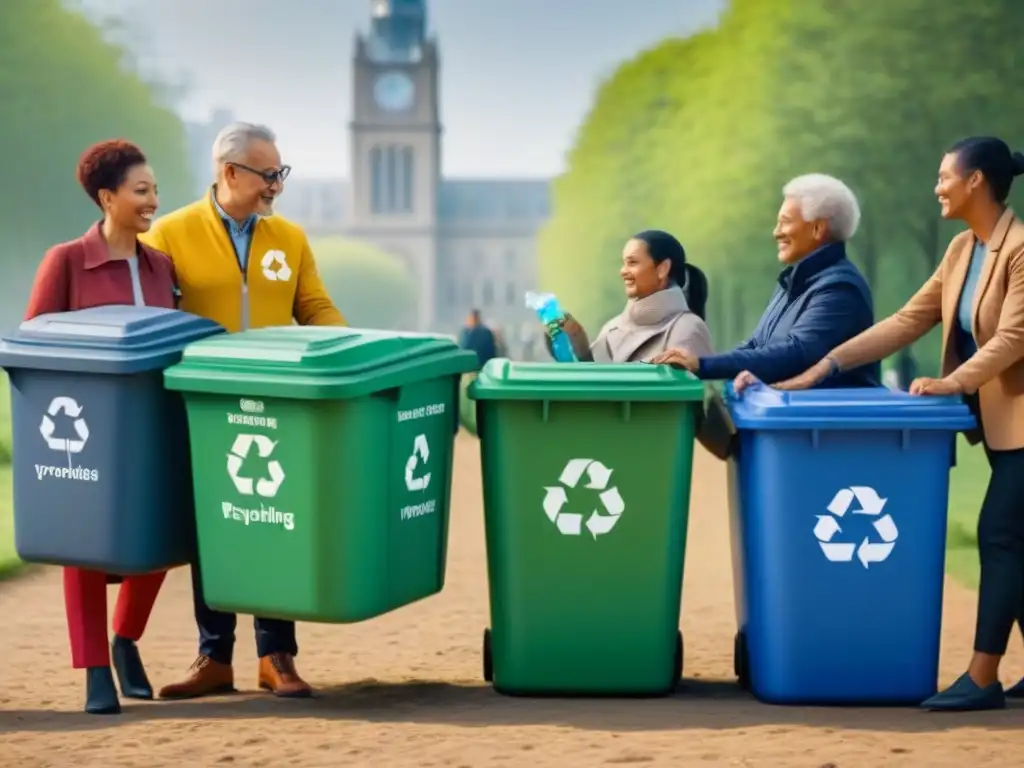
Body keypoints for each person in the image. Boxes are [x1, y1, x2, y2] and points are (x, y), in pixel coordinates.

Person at [774, 136, 1024, 711]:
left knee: (1001, 534)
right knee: (1016, 538)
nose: (936, 187)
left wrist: (953, 382)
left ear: (977, 182)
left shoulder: (1018, 249)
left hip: (1017, 418)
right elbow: (909, 319)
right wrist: (826, 365)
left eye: (944, 177)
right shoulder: (964, 249)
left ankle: (983, 677)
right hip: (1003, 422)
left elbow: (1013, 337)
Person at [140, 122, 346, 700]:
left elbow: (315, 307)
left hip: (280, 401)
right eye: (268, 174)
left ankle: (276, 655)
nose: (277, 185)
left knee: (279, 522)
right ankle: (214, 657)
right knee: (216, 528)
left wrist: (358, 354)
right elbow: (154, 320)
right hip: (206, 405)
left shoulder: (290, 238)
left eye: (281, 172)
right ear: (230, 173)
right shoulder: (168, 236)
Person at [24, 140, 177, 714]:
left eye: (155, 191)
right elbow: (35, 341)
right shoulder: (65, 261)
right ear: (107, 198)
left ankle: (125, 640)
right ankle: (94, 669)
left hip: (151, 427)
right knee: (81, 545)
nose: (153, 202)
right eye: (142, 192)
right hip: (85, 428)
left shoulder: (161, 266)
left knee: (163, 536)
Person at [648, 174, 879, 390]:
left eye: (785, 222)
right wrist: (701, 364)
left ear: (818, 228)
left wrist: (703, 365)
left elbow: (797, 354)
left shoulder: (839, 289)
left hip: (831, 428)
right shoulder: (793, 282)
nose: (776, 232)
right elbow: (756, 346)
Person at [557, 230, 712, 363]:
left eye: (632, 263)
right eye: (624, 263)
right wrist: (576, 340)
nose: (623, 271)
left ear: (662, 269)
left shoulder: (687, 329)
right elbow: (595, 386)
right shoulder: (612, 328)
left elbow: (691, 393)